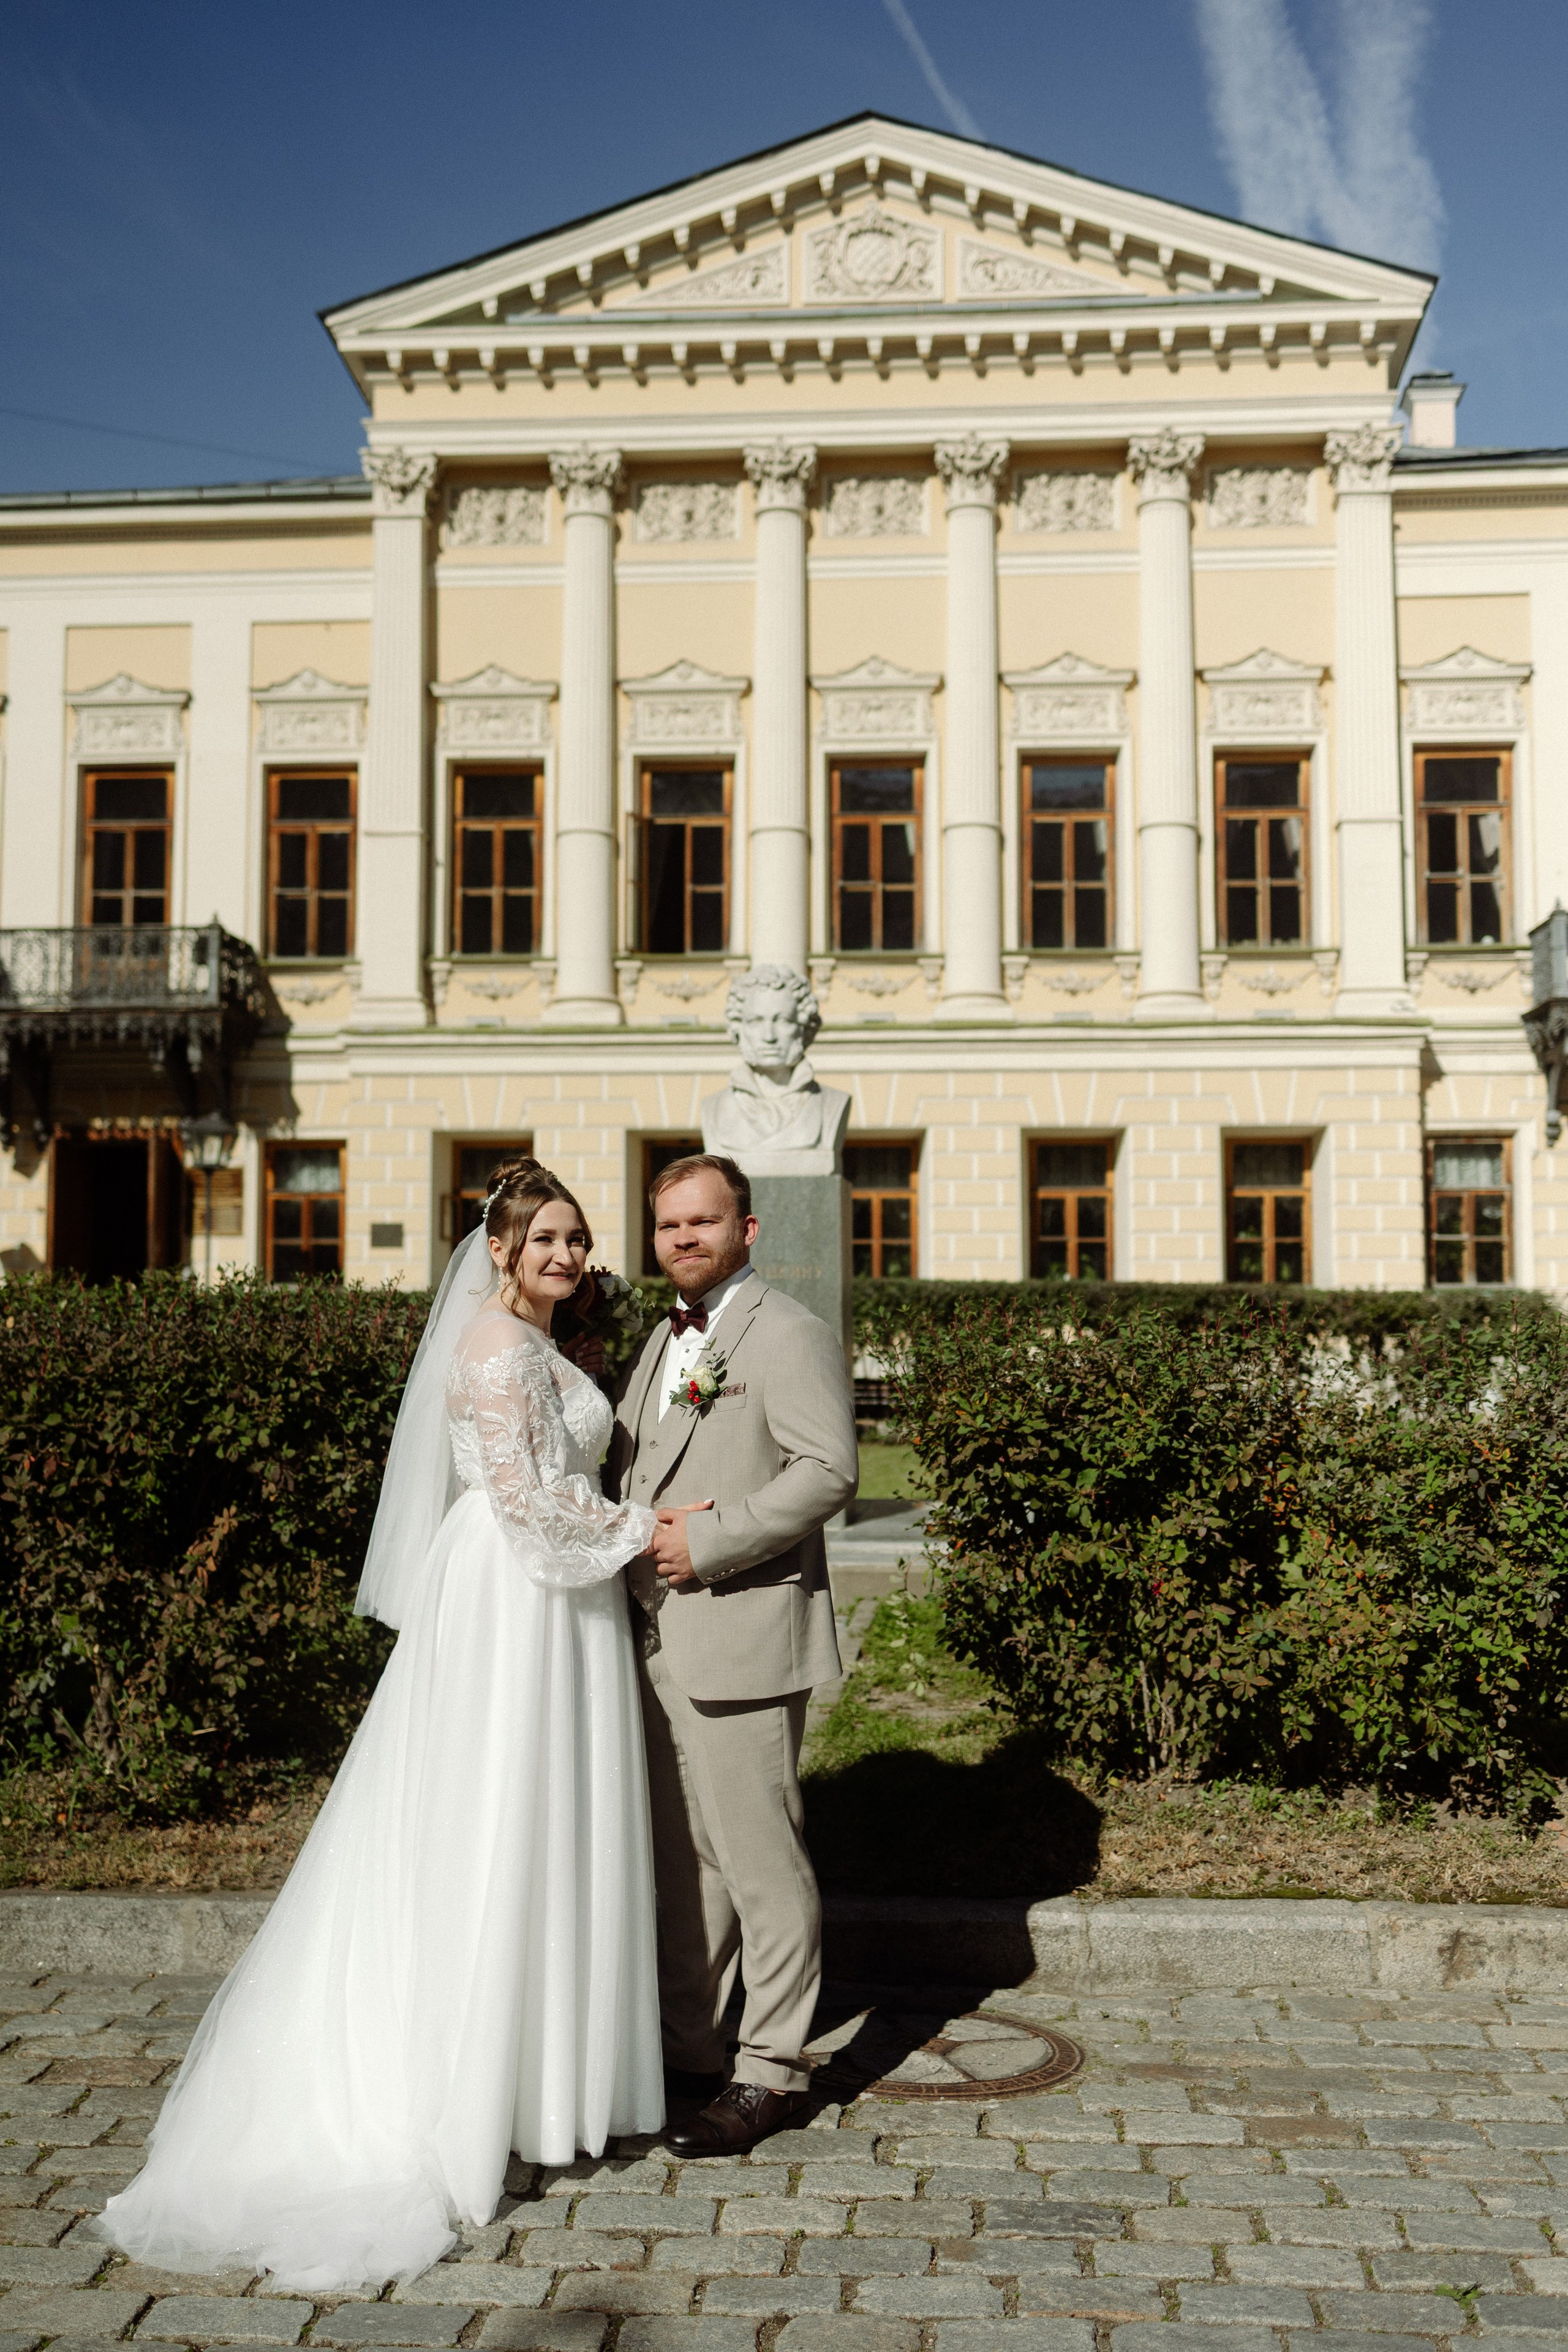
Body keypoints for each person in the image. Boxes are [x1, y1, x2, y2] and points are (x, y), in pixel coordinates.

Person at [91, 1159, 663, 2293]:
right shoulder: (500, 1353)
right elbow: (530, 1509)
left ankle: (550, 2084)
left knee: (551, 1825)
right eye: (543, 1238)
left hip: (553, 1600)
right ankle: (473, 2093)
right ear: (498, 1251)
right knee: (501, 1825)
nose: (565, 1255)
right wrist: (650, 1527)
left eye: (576, 1238)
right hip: (518, 1601)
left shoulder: (540, 1346)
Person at [606, 1153, 858, 2155]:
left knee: (761, 1863)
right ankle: (692, 2052)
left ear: (746, 1231)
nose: (683, 1240)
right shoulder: (659, 1342)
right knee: (689, 1865)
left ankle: (772, 2072)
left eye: (702, 1224)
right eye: (669, 1226)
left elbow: (829, 1470)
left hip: (743, 1625)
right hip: (658, 1636)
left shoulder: (787, 1333)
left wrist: (708, 1543)